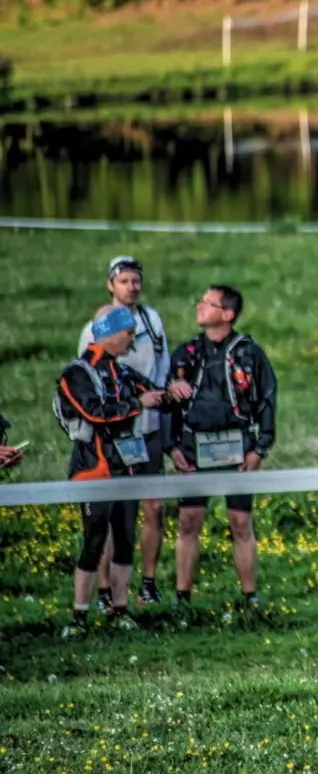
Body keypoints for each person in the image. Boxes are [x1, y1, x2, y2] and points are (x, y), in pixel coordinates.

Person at [77, 255, 186, 607]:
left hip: (150, 429)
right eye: (124, 281)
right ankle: (107, 591)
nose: (132, 286)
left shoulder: (152, 320)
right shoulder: (95, 326)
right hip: (115, 434)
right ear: (111, 285)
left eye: (136, 280)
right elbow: (87, 378)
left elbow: (164, 367)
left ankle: (148, 583)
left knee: (153, 506)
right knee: (112, 513)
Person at [56, 306, 169, 628]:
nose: (133, 342)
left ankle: (120, 610)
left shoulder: (120, 370)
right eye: (129, 334)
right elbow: (95, 413)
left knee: (124, 537)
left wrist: (169, 394)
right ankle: (79, 616)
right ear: (110, 333)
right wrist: (138, 404)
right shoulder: (76, 373)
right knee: (94, 541)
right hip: (93, 468)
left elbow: (150, 391)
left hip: (125, 466)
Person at [168, 284, 278, 608]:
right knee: (189, 520)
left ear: (227, 314)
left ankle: (249, 597)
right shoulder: (186, 354)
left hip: (237, 446)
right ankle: (182, 597)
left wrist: (260, 448)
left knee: (241, 521)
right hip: (193, 446)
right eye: (200, 300)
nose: (200, 306)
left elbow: (267, 400)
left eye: (208, 302)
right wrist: (172, 447)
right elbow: (168, 406)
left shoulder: (249, 353)